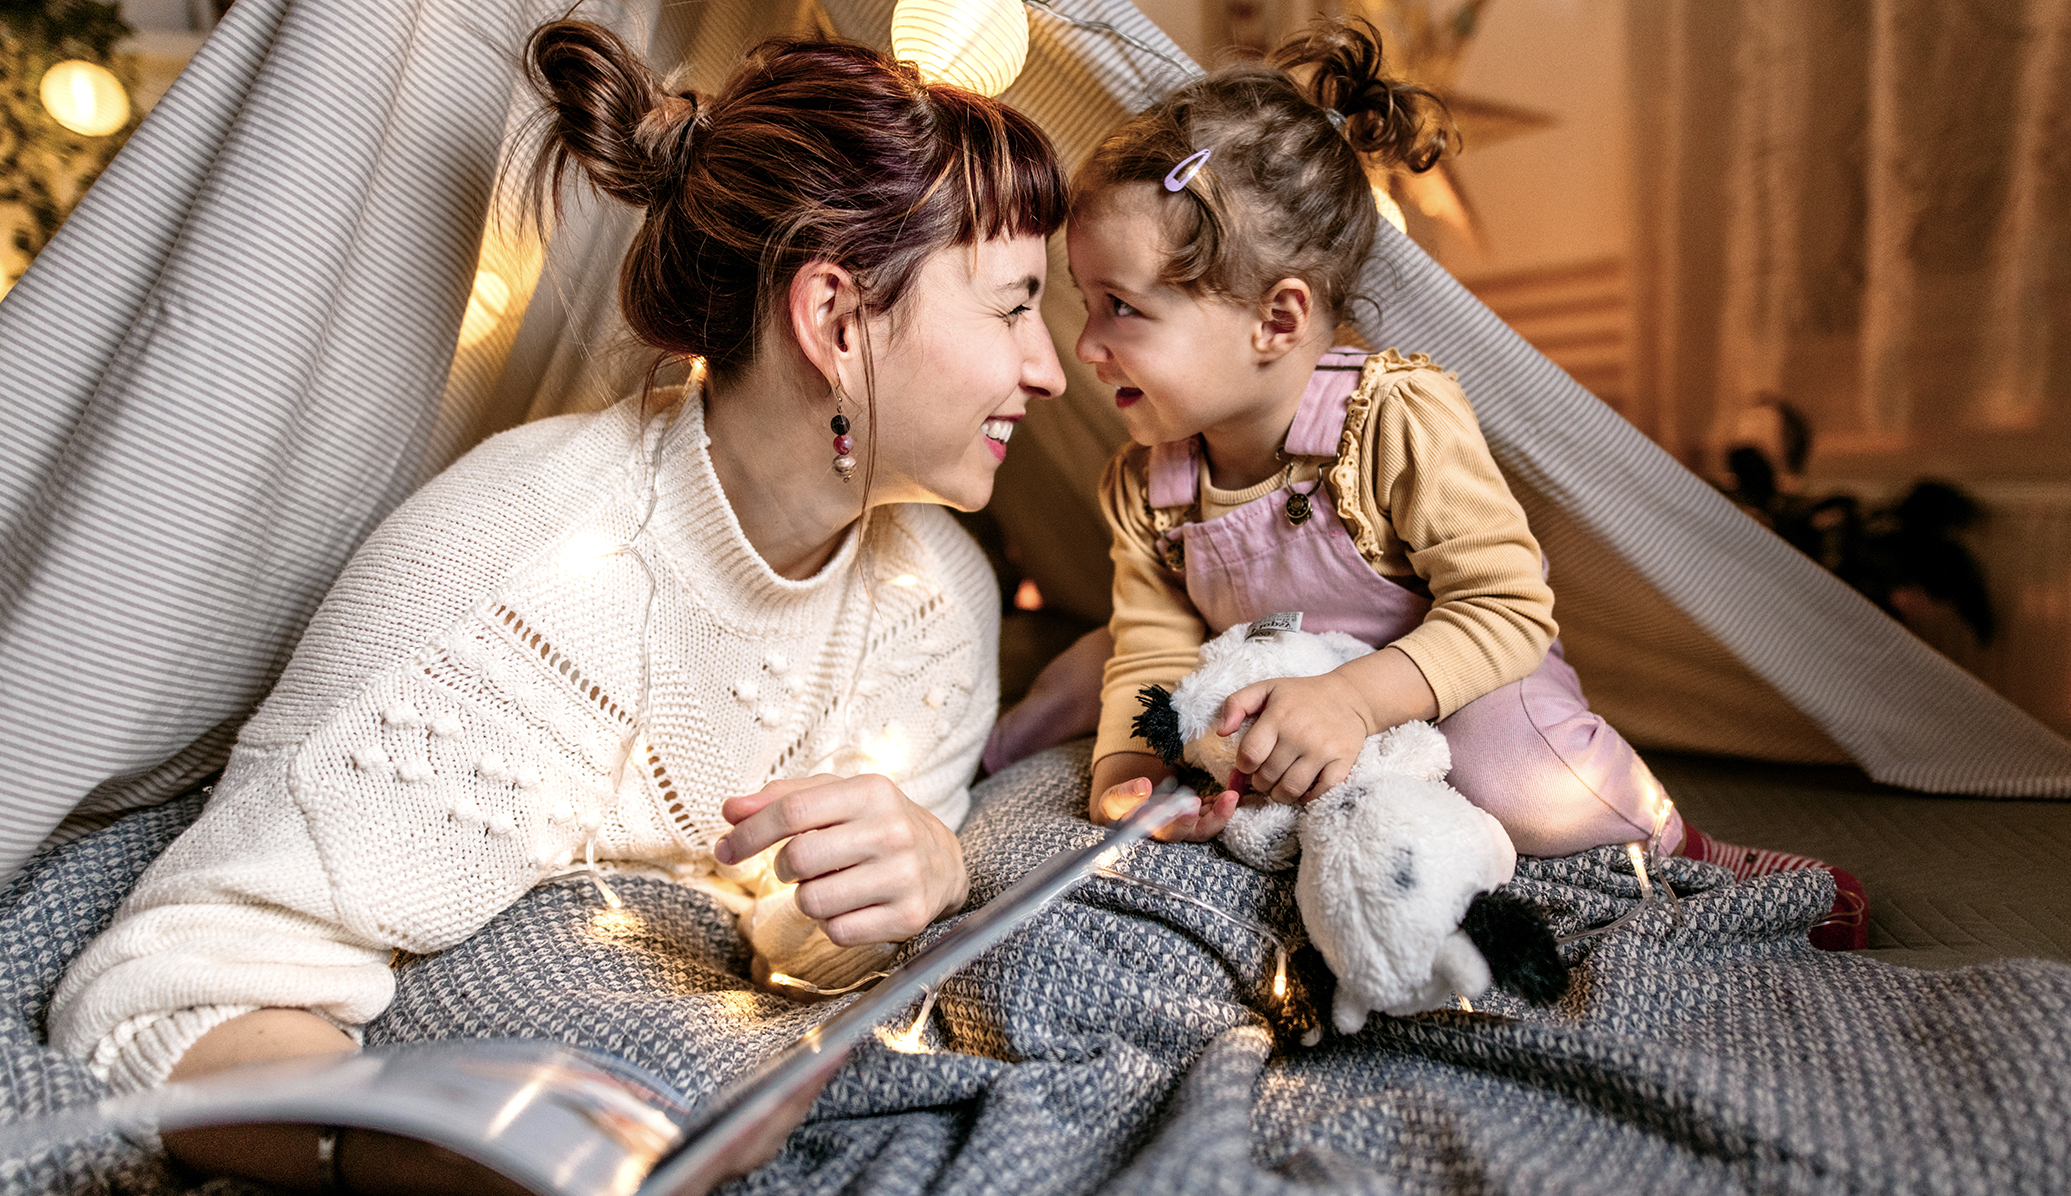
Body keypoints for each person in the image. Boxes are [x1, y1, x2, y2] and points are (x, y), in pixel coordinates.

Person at [47, 16, 1068, 1187]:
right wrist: (408, 1149)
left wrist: (918, 878)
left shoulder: (938, 591)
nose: (1048, 365)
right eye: (1010, 306)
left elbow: (805, 961)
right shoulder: (516, 571)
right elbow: (154, 996)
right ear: (836, 319)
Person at [1059, 19, 1866, 950]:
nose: (1085, 345)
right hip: (1306, 729)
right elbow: (1152, 644)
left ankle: (1680, 850)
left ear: (1276, 318)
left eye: (1122, 307)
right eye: (1085, 303)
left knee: (1525, 786)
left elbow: (1507, 610)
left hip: (1450, 691)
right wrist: (1131, 765)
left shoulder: (1391, 419)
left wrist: (1358, 700)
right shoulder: (1145, 482)